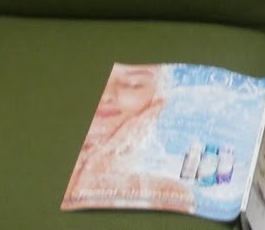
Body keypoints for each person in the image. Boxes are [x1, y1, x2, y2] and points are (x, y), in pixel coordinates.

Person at [63, 64, 196, 212]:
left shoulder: (165, 194)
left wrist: (102, 163)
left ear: (156, 104)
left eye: (132, 84)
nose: (106, 96)